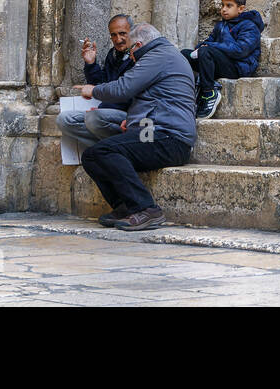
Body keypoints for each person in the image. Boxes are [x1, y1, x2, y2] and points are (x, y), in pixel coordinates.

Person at [75, 22, 197, 232]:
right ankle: (125, 207)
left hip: (168, 138)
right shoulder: (164, 54)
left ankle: (147, 209)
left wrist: (93, 90)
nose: (130, 55)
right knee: (92, 155)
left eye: (131, 49)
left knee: (103, 151)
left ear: (138, 45)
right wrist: (132, 121)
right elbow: (153, 99)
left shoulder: (158, 56)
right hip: (157, 133)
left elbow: (124, 88)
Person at [57, 13, 134, 153]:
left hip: (128, 116)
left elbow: (128, 92)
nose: (118, 39)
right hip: (106, 114)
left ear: (132, 33)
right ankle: (108, 149)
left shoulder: (138, 56)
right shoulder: (113, 54)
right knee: (64, 120)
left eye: (123, 33)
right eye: (114, 35)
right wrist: (91, 63)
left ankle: (112, 149)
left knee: (94, 118)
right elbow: (101, 83)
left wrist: (103, 108)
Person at [182, 0, 264, 119]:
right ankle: (187, 90)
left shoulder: (249, 26)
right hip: (220, 63)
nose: (224, 9)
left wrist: (209, 46)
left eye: (229, 6)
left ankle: (209, 94)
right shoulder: (221, 26)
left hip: (237, 67)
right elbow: (207, 42)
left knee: (206, 51)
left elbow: (240, 50)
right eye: (222, 5)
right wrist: (202, 46)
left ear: (240, 9)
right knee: (184, 54)